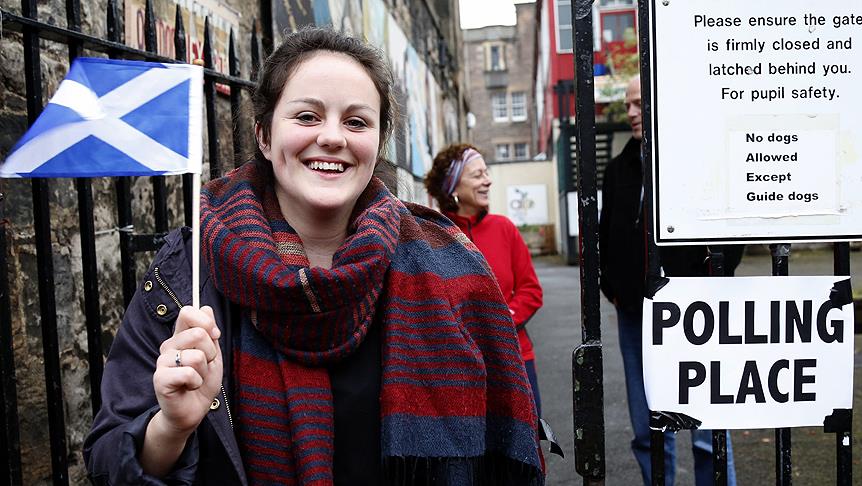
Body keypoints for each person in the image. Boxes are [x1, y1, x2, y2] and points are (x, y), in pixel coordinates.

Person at [84, 27, 544, 486]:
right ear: (264, 136)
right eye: (307, 116)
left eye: (357, 122)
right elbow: (107, 459)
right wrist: (170, 428)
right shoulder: (189, 272)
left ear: (378, 143)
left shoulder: (452, 266)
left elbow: (509, 447)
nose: (331, 137)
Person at [599, 76, 740, 486]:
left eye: (640, 103)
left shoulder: (699, 161)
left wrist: (712, 279)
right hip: (635, 313)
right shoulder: (619, 168)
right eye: (627, 105)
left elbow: (730, 235)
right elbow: (606, 232)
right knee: (647, 428)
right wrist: (615, 286)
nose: (631, 112)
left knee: (707, 426)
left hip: (694, 310)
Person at [424, 144, 544, 417]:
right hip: (459, 363)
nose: (487, 180)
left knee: (524, 446)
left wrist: (500, 322)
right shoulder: (433, 235)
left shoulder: (504, 228)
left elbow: (530, 290)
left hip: (514, 357)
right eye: (477, 175)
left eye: (486, 173)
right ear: (453, 186)